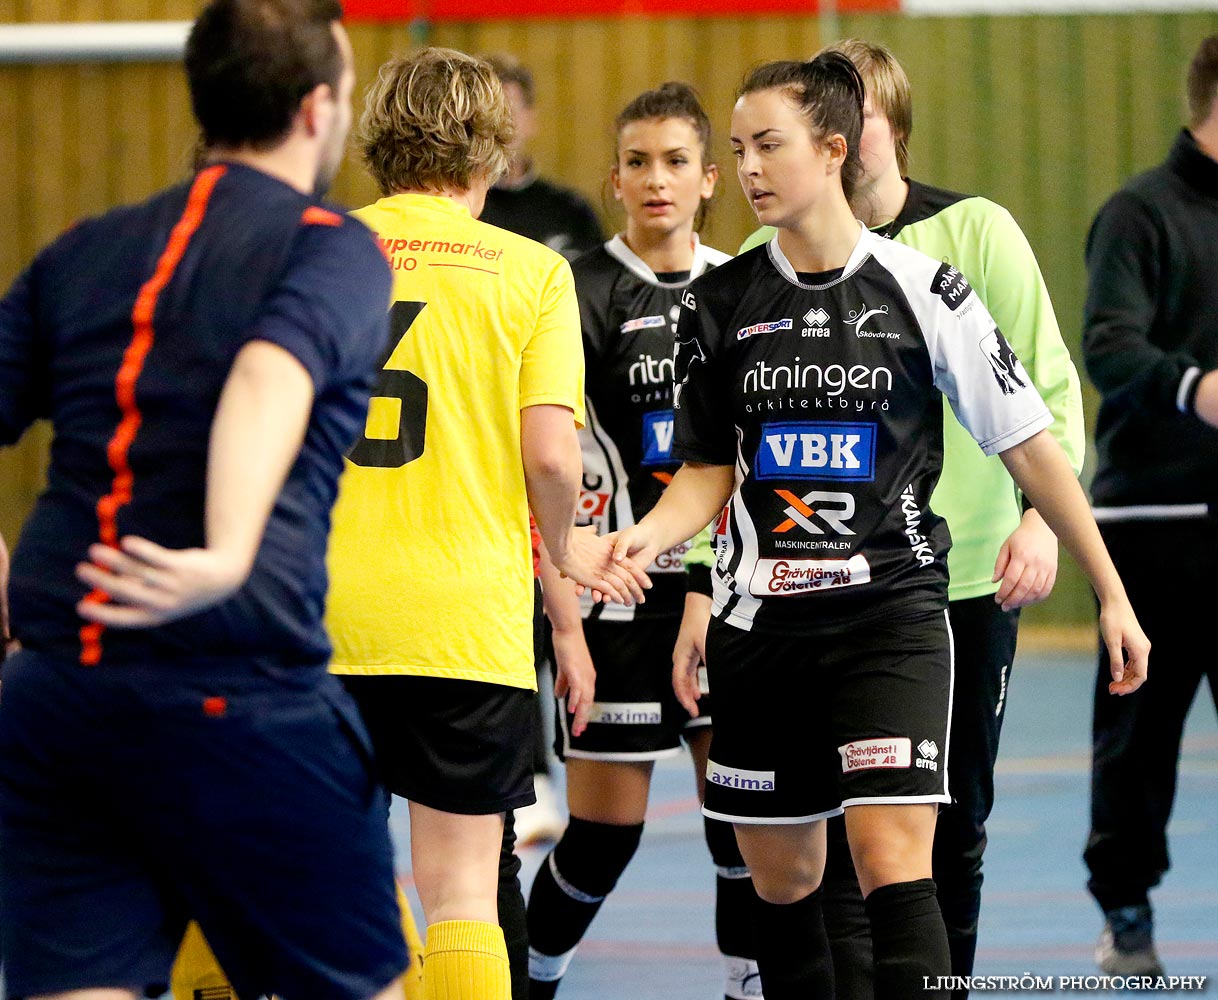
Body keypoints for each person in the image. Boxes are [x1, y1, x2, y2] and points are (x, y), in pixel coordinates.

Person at [610, 53, 1149, 1000]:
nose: (749, 169)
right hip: (762, 630)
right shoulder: (722, 301)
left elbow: (1030, 442)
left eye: (769, 145)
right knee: (789, 882)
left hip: (890, 618)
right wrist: (646, 540)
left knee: (896, 860)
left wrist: (1110, 589)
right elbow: (705, 471)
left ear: (831, 149)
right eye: (738, 150)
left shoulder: (928, 291)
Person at [0, 1, 411, 997]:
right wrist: (227, 554)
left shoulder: (83, 249)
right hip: (241, 693)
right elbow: (269, 374)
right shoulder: (332, 247)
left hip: (60, 690)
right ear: (318, 109)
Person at [323, 47, 646, 1000]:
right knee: (463, 887)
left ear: (379, 141)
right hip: (461, 621)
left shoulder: (315, 250)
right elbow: (551, 455)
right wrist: (570, 546)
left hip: (320, 614)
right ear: (493, 149)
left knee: (338, 880)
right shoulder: (531, 272)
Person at [523, 82, 764, 1000]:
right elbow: (540, 467)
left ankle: (749, 979)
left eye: (675, 162)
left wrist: (720, 581)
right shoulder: (572, 288)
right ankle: (532, 975)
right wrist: (569, 628)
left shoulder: (747, 281)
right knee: (602, 836)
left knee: (741, 819)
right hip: (614, 591)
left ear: (711, 179)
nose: (655, 180)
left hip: (724, 592)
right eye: (637, 163)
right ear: (613, 179)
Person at [1081, 33, 1218, 978]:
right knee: (1139, 745)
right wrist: (1199, 387)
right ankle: (1126, 913)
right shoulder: (1140, 211)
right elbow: (1110, 346)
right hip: (1154, 530)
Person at [481, 52, 607, 849]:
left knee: (553, 612)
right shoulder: (462, 221)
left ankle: (564, 765)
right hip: (489, 450)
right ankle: (529, 781)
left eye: (510, 109)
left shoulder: (564, 215)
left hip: (553, 427)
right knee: (518, 621)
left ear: (527, 119)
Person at [480, 52, 605, 261]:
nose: (498, 125)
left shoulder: (572, 211)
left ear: (531, 120)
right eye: (489, 113)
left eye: (508, 111)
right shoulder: (458, 211)